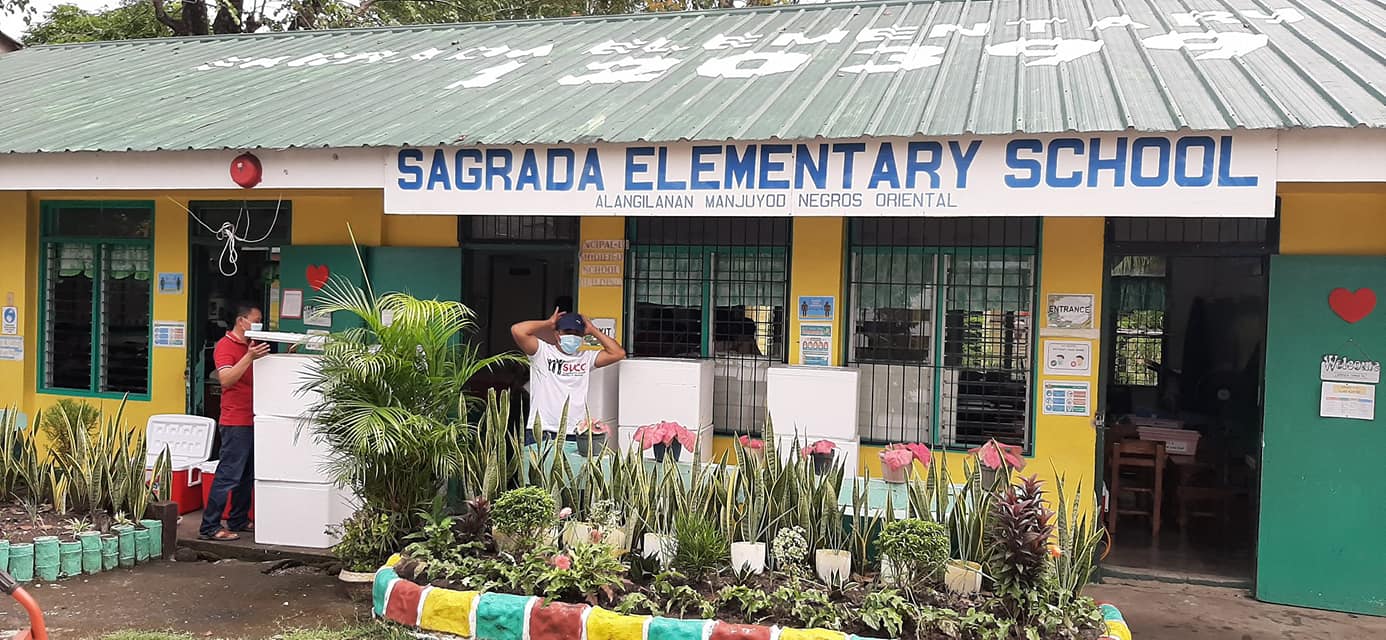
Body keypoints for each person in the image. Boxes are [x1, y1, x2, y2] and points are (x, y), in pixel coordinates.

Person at [200, 304, 269, 541]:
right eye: (256, 320)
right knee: (229, 474)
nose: (260, 323)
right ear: (241, 321)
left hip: (255, 417)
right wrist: (249, 357)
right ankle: (209, 526)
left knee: (248, 474)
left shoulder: (252, 346)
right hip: (235, 420)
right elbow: (226, 379)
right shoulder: (225, 346)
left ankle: (238, 519)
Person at [512, 308, 625, 440]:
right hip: (542, 429)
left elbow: (618, 353)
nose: (572, 336)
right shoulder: (542, 353)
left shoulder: (586, 357)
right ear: (557, 334)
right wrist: (548, 323)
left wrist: (593, 330)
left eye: (577, 333)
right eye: (567, 331)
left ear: (582, 336)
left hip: (574, 430)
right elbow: (517, 330)